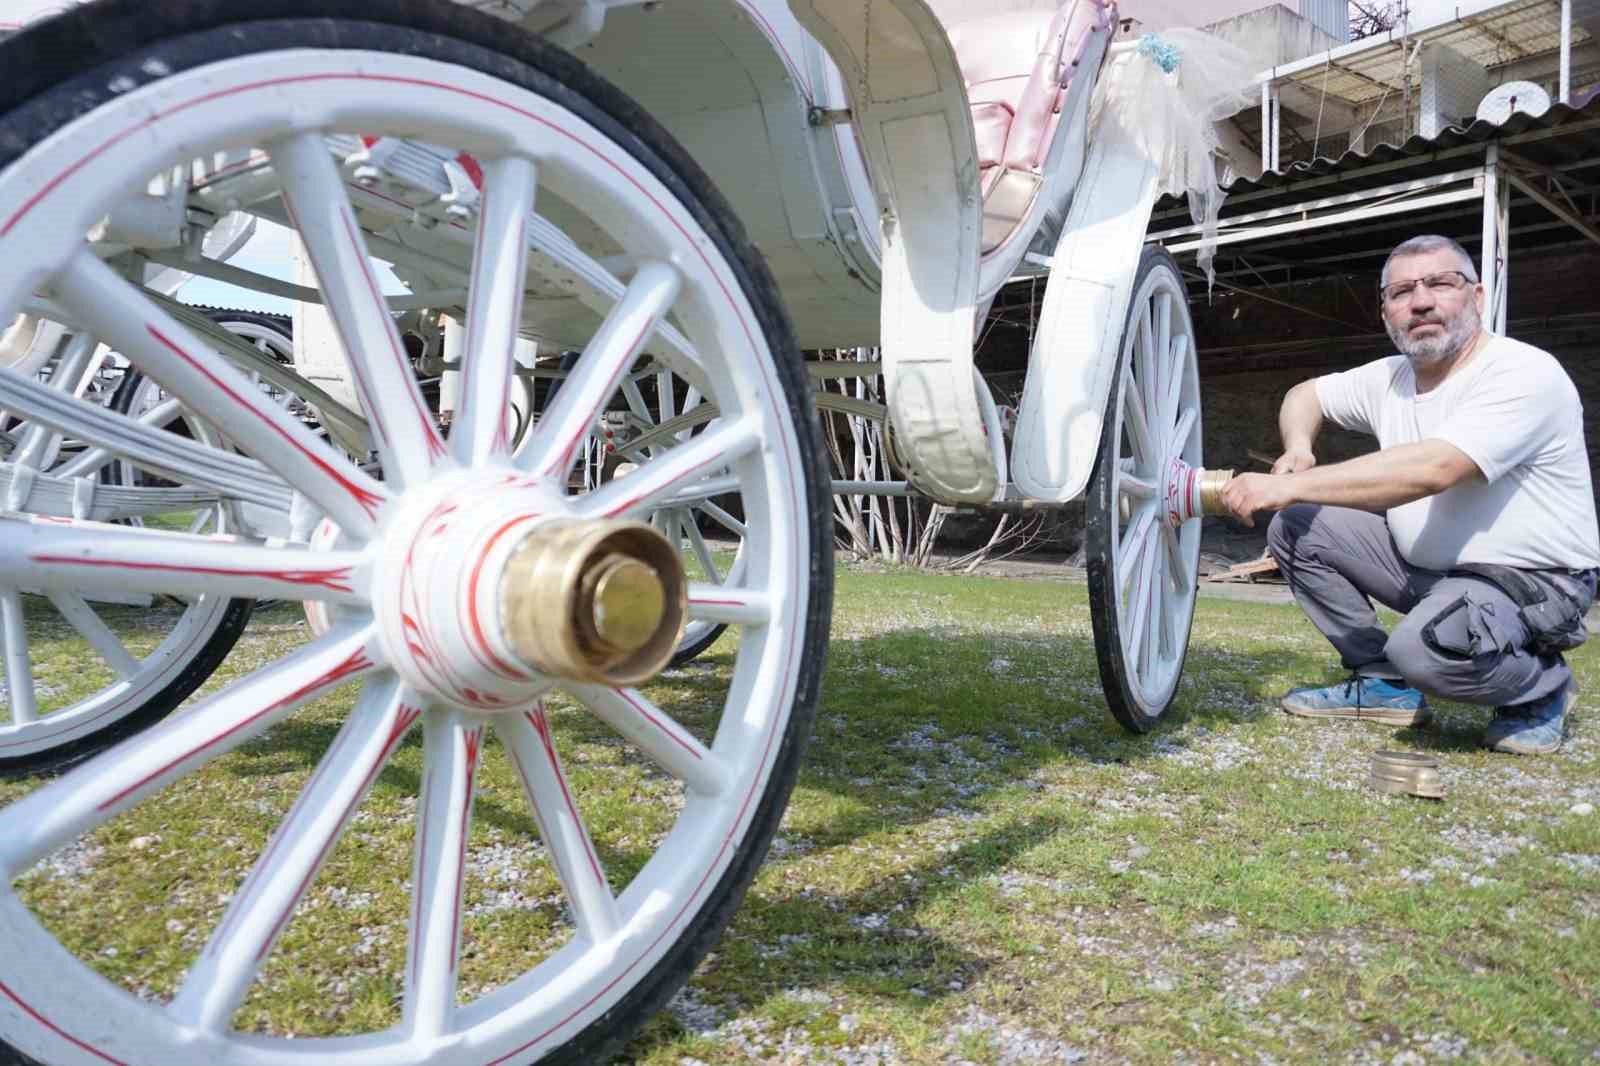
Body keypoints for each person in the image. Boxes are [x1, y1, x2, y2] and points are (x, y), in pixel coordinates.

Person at [1219, 234, 1600, 755]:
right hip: (1432, 571)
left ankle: (1541, 686)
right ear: (1385, 312)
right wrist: (1300, 447)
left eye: (1441, 283)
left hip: (1529, 580)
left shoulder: (1523, 372)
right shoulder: (1391, 378)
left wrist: (1284, 484)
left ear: (1478, 297)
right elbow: (1303, 395)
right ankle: (1383, 683)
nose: (1420, 301)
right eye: (1401, 292)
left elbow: (1437, 468)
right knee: (1298, 524)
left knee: (1422, 652)